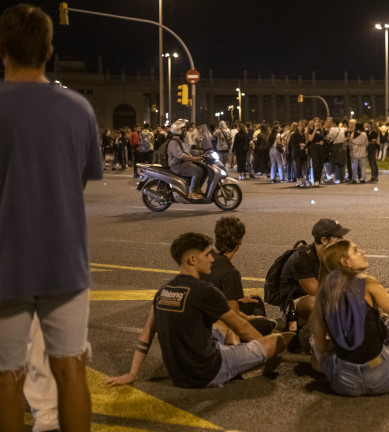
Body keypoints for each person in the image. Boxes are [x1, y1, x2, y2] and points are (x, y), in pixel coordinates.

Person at [0, 5, 102, 432]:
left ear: (3, 50)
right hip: (65, 259)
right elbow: (78, 180)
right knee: (70, 368)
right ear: (49, 49)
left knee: (7, 375)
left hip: (6, 262)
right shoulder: (78, 108)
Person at [106, 233, 290, 388]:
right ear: (193, 259)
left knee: (218, 323)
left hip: (179, 375)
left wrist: (132, 374)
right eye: (207, 254)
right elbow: (241, 327)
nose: (212, 259)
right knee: (278, 339)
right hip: (209, 371)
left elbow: (146, 333)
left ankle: (233, 352)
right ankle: (243, 363)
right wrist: (262, 346)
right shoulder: (205, 291)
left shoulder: (163, 291)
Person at [310, 240, 389, 396]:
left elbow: (321, 347)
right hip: (382, 380)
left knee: (315, 346)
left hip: (344, 384)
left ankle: (338, 366)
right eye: (355, 250)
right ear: (345, 262)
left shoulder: (323, 294)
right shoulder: (368, 285)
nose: (362, 251)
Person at [279, 219, 351, 347]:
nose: (342, 240)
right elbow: (315, 292)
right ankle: (316, 341)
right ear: (324, 240)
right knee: (318, 303)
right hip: (294, 304)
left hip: (321, 298)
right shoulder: (303, 256)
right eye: (338, 237)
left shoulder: (331, 256)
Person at [166, 119, 205, 199]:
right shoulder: (174, 142)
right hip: (177, 165)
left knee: (203, 168)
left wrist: (200, 152)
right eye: (183, 130)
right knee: (198, 171)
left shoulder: (182, 140)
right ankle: (192, 192)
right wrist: (194, 158)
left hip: (183, 163)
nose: (185, 131)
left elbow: (189, 150)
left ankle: (196, 188)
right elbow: (180, 156)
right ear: (178, 131)